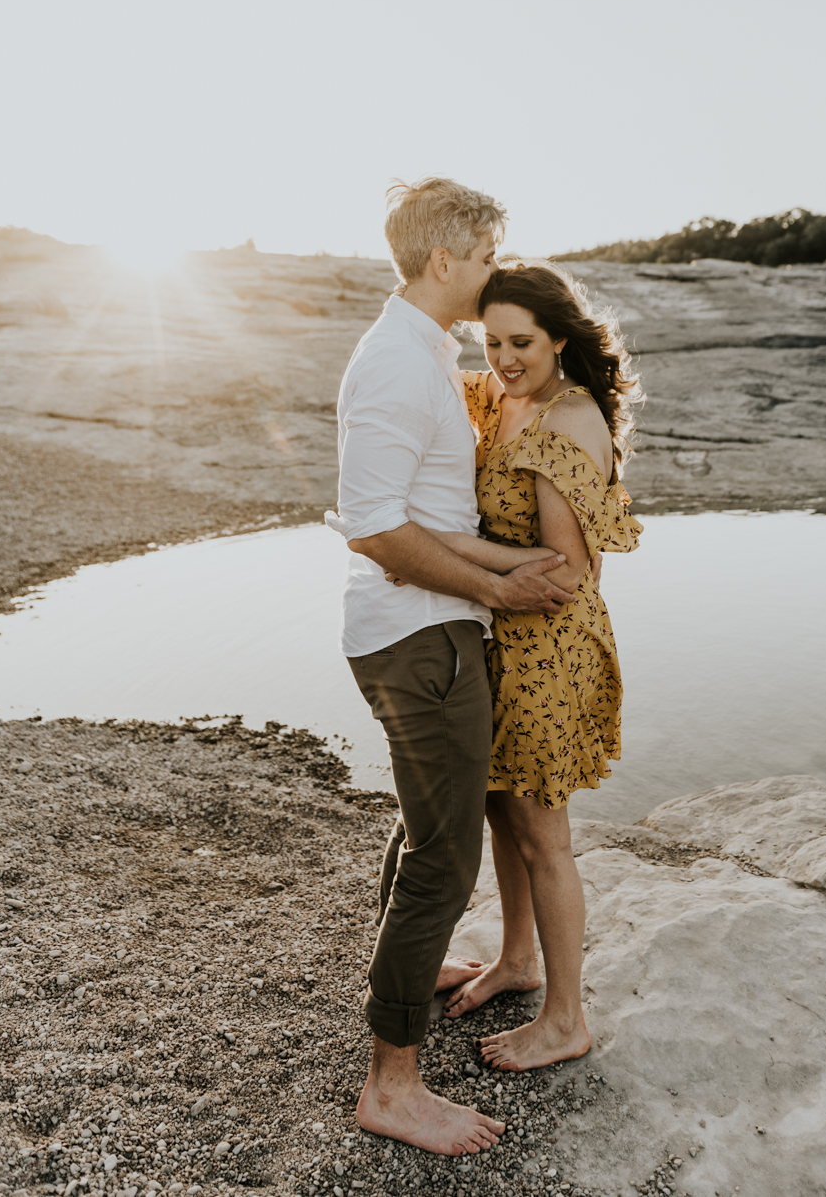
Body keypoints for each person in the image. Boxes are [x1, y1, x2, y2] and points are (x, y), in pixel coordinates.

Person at [326, 180, 577, 1156]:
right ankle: (391, 1083)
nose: (492, 271)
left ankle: (406, 974)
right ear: (444, 261)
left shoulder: (425, 347)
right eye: (484, 254)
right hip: (416, 634)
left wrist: (508, 569)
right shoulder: (394, 361)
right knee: (445, 857)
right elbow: (375, 528)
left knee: (425, 825)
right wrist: (504, 593)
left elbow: (429, 517)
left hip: (432, 624)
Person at [419, 261, 642, 1071]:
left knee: (543, 836)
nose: (504, 357)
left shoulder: (567, 422)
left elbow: (564, 570)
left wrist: (438, 545)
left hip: (548, 647)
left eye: (521, 342)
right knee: (498, 810)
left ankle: (565, 1017)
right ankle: (516, 961)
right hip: (496, 634)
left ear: (557, 339)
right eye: (492, 340)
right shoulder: (499, 397)